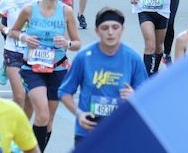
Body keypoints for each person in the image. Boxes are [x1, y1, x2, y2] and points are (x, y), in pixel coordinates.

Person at [10, 0, 81, 151]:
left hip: (57, 69)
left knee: (48, 120)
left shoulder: (66, 12)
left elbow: (77, 43)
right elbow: (14, 31)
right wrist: (25, 38)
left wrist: (66, 43)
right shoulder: (30, 10)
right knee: (41, 114)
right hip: (32, 68)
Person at [58, 8, 147, 147]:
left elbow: (148, 96)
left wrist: (135, 96)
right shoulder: (84, 57)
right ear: (96, 31)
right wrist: (79, 114)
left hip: (121, 131)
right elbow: (64, 92)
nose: (110, 32)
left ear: (122, 29)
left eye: (115, 27)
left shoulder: (133, 59)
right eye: (105, 28)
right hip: (88, 131)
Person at [0, 0, 40, 115]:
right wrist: (6, 30)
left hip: (33, 53)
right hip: (13, 51)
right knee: (19, 96)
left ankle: (21, 130)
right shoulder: (8, 0)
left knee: (30, 97)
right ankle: (11, 129)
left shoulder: (39, 0)